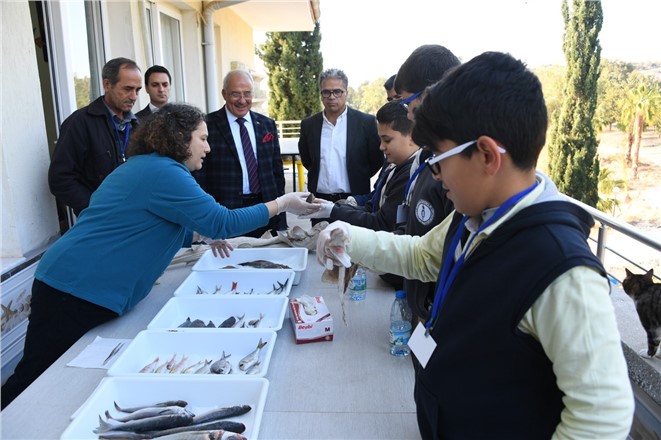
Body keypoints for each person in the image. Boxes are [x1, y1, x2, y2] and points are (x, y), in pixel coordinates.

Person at [316, 52, 634, 438]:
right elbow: (422, 256)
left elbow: (601, 416)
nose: (434, 174)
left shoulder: (561, 269)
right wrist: (349, 237)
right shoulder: (474, 215)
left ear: (486, 155)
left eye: (438, 160)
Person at [1, 104, 318, 410]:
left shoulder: (150, 167)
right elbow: (222, 220)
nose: (208, 148)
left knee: (56, 383)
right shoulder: (163, 172)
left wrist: (203, 233)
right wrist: (283, 202)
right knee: (32, 378)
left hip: (81, 288)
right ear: (181, 138)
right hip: (72, 289)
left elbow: (161, 225)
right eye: (203, 139)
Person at [393, 44, 460, 334]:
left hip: (444, 317)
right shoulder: (426, 158)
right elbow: (423, 253)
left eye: (409, 102)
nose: (407, 114)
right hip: (424, 306)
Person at [194, 70, 287, 238]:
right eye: (235, 94)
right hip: (226, 213)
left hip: (266, 210)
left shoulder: (267, 125)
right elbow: (200, 175)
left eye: (247, 94)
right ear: (224, 94)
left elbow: (276, 172)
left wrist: (280, 210)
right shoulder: (207, 125)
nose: (242, 100)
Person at [302, 100, 418, 233]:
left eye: (387, 140)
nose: (381, 147)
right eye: (380, 140)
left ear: (412, 137)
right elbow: (373, 205)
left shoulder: (410, 173)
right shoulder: (394, 164)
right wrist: (336, 207)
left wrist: (333, 211)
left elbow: (381, 223)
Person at [48, 57, 142, 216]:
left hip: (134, 218)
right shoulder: (79, 123)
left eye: (137, 90)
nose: (133, 96)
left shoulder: (138, 126)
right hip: (100, 224)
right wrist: (96, 208)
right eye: (127, 89)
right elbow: (60, 179)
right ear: (107, 85)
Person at [297, 68, 382, 224]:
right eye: (326, 92)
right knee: (320, 245)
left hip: (354, 202)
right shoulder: (309, 125)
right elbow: (308, 160)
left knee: (353, 245)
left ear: (346, 93)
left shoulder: (366, 122)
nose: (332, 97)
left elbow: (376, 160)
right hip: (319, 202)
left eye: (337, 92)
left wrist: (359, 175)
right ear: (321, 94)